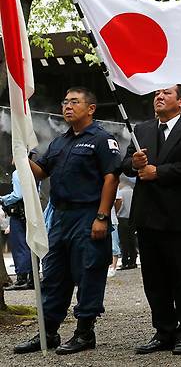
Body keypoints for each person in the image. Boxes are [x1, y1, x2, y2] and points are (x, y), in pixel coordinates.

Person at [14, 87, 121, 355]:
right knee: (54, 275)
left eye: (74, 102)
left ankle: (85, 333)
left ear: (91, 108)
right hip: (60, 217)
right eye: (65, 102)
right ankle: (48, 332)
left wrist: (102, 216)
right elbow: (41, 171)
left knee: (89, 272)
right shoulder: (59, 143)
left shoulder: (101, 140)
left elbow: (111, 177)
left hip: (88, 214)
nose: (67, 106)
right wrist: (22, 155)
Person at [123, 85, 181, 355]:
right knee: (154, 279)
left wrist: (158, 172)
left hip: (179, 216)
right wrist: (134, 164)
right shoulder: (142, 130)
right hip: (147, 215)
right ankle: (163, 331)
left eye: (166, 93)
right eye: (156, 93)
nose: (159, 97)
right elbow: (125, 164)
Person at [1, 155, 36, 291]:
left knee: (19, 244)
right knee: (30, 244)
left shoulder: (17, 172)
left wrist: (3, 199)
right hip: (31, 212)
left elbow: (18, 195)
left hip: (19, 212)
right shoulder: (34, 170)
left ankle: (22, 278)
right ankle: (32, 277)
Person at [115, 178, 137, 270]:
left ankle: (125, 261)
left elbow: (119, 203)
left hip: (122, 218)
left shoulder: (122, 192)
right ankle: (133, 260)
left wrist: (117, 213)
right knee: (132, 239)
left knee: (124, 241)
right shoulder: (133, 192)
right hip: (132, 218)